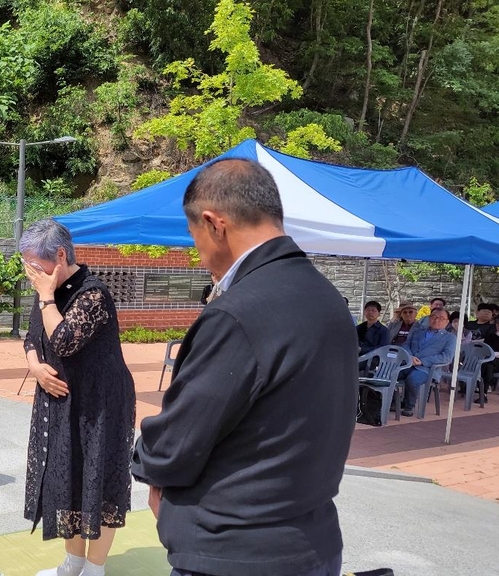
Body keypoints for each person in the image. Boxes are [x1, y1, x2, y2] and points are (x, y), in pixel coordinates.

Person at [132, 159, 355, 576]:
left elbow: (178, 443)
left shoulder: (237, 313)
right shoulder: (328, 299)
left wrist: (145, 456)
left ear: (215, 224)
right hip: (312, 538)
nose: (200, 259)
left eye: (195, 239)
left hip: (235, 548)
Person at [19, 219, 136, 576]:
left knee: (99, 482)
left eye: (35, 266)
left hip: (101, 403)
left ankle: (95, 568)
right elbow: (32, 338)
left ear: (59, 255)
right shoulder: (47, 294)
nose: (31, 273)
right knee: (66, 477)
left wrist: (47, 297)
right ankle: (74, 562)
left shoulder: (92, 293)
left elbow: (64, 341)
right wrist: (36, 368)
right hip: (63, 403)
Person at [399, 309, 455, 417]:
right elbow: (406, 344)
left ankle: (408, 406)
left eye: (441, 318)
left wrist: (423, 361)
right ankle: (392, 402)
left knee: (413, 379)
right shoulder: (418, 331)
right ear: (429, 318)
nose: (436, 320)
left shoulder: (450, 338)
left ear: (447, 322)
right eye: (434, 316)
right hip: (409, 363)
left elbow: (446, 357)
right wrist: (410, 356)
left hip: (428, 369)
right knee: (391, 373)